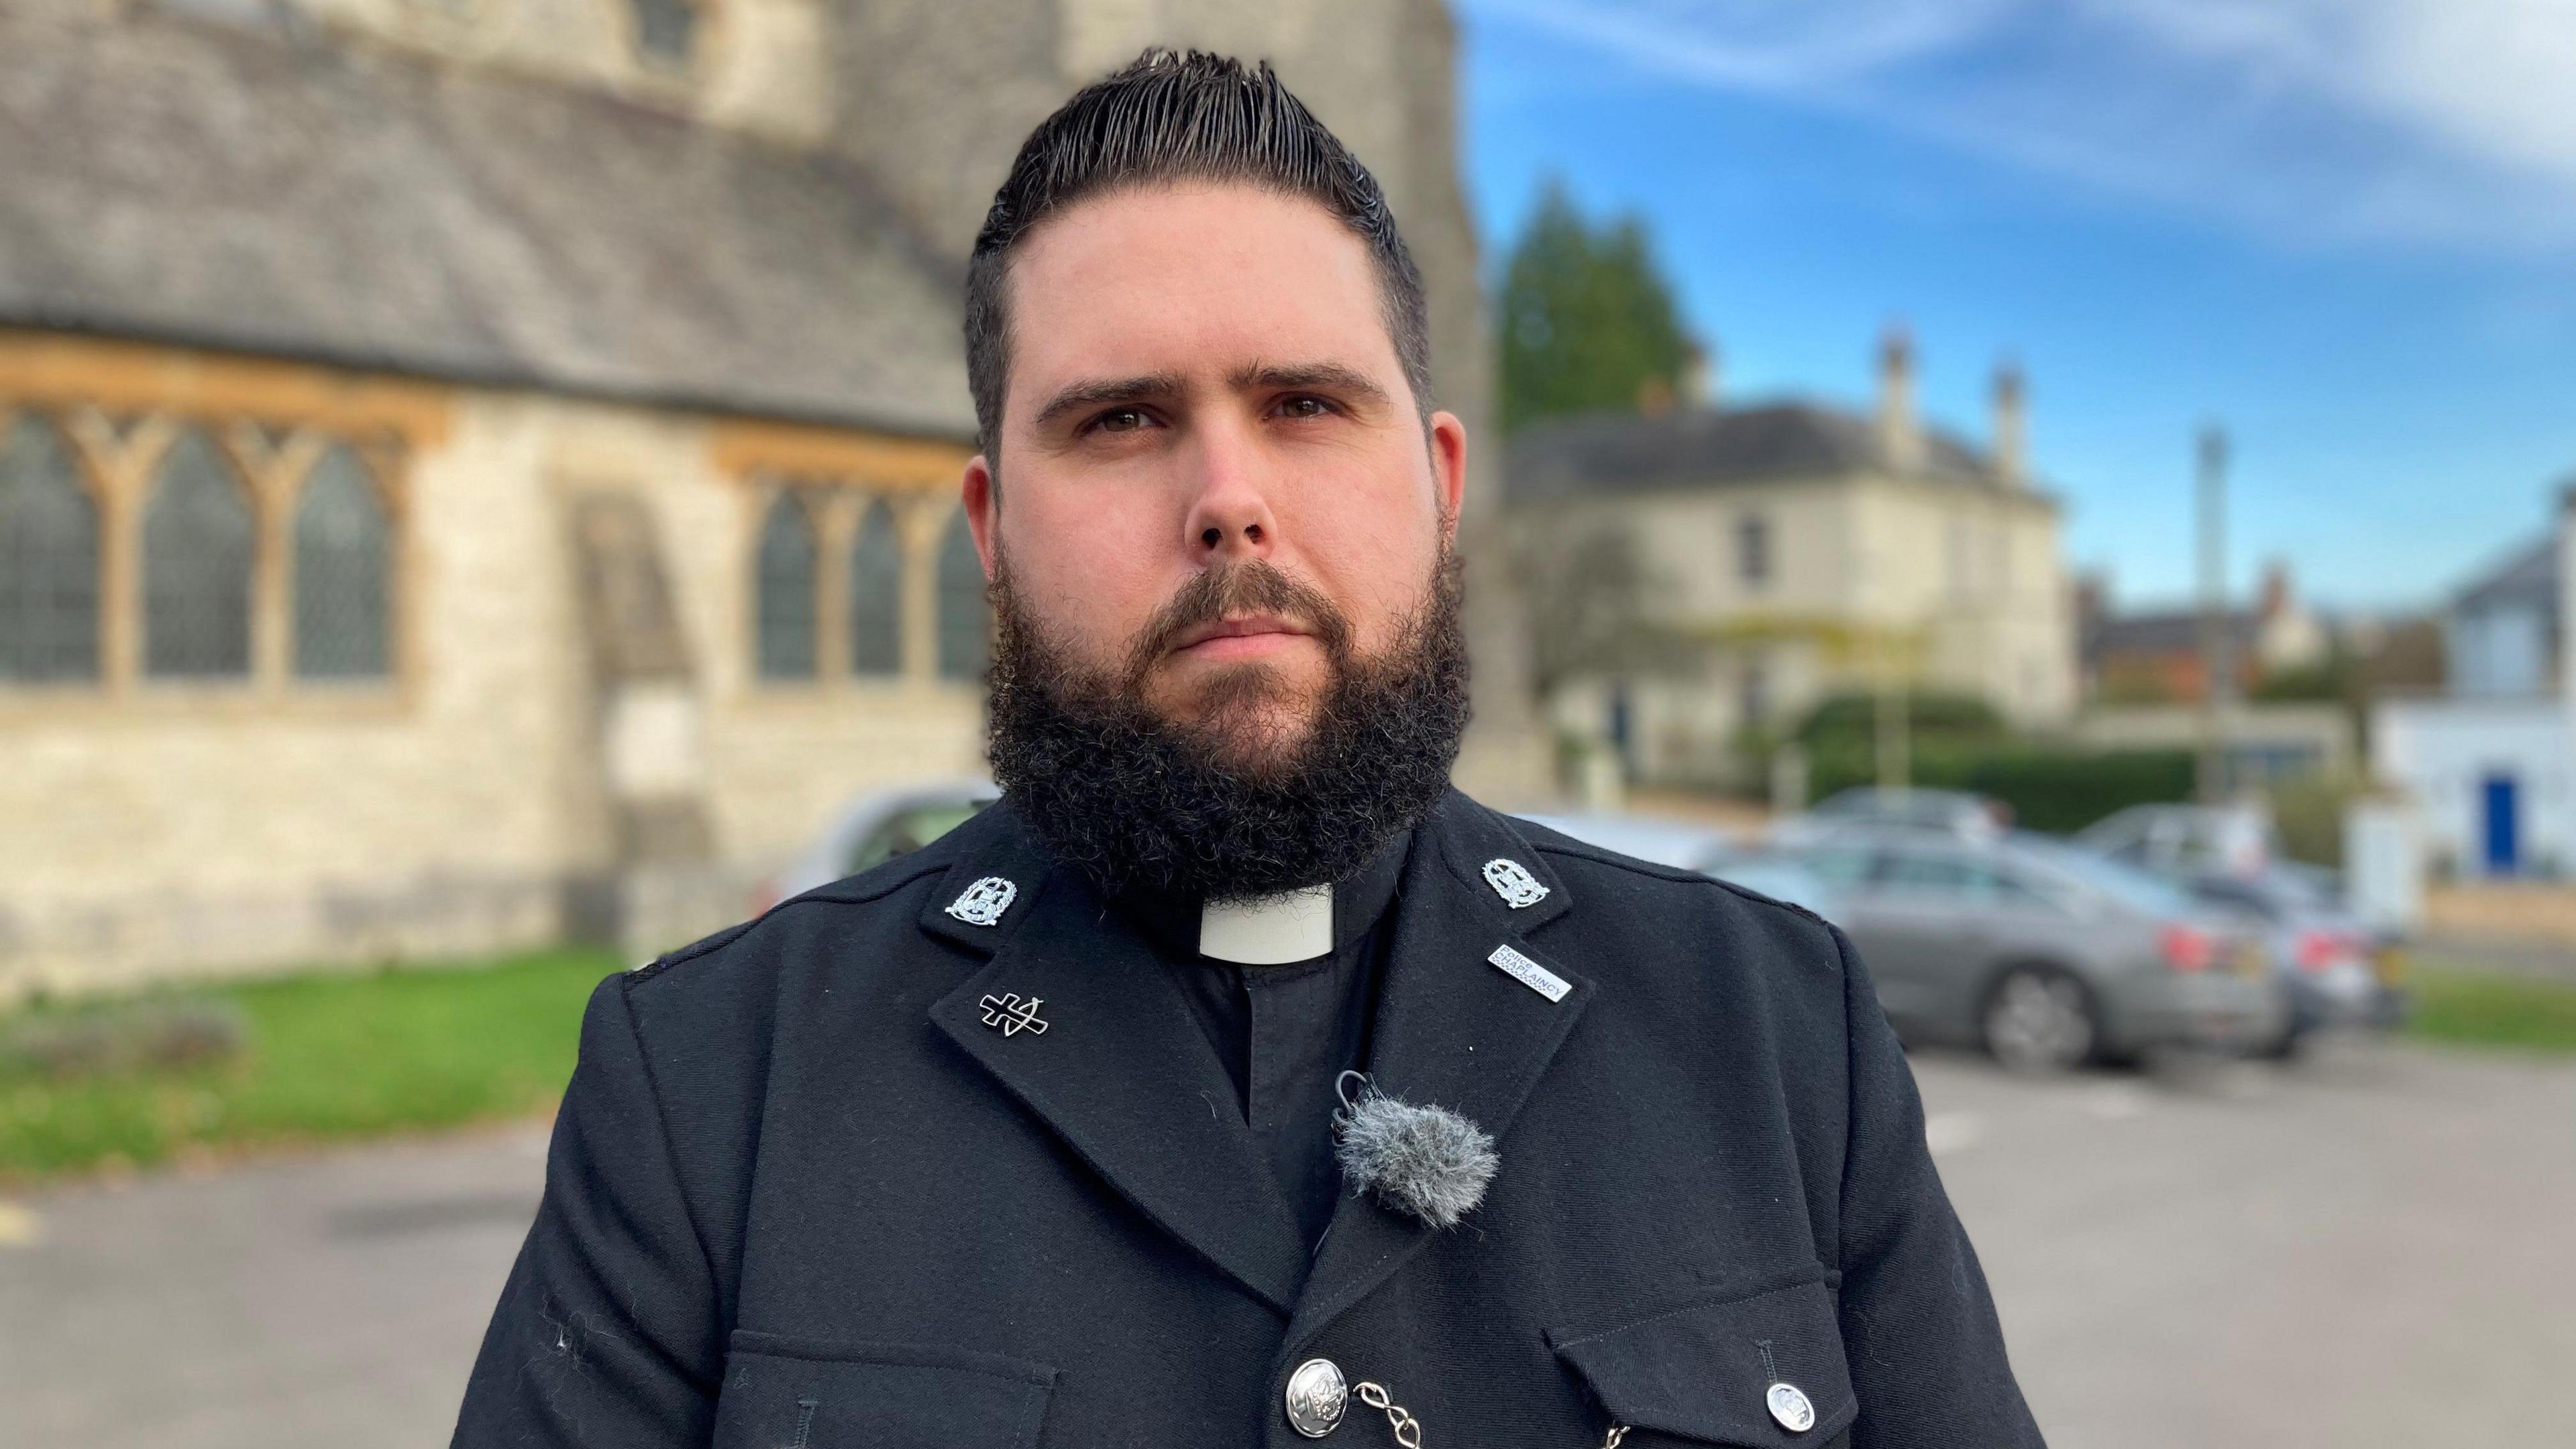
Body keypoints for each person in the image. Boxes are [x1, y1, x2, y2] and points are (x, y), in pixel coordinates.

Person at [451, 49, 2044, 1449]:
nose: (1227, 494)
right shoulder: (714, 1090)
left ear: (1438, 484)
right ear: (991, 532)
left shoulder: (1777, 1043)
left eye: (1302, 403)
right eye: (1122, 421)